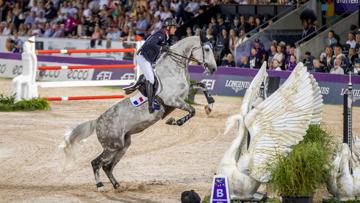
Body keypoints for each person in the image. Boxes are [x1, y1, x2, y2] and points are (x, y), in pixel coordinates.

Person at [136, 17, 177, 113]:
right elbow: (150, 43)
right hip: (143, 57)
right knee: (151, 78)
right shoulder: (160, 34)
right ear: (168, 27)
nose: (175, 29)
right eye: (174, 27)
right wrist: (162, 48)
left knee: (158, 77)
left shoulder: (165, 36)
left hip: (150, 59)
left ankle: (145, 86)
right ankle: (150, 105)